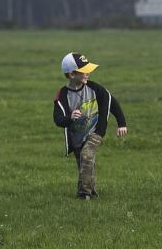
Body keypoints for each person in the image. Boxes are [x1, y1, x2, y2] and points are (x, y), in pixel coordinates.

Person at [52, 51, 127, 200]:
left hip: (95, 131)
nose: (88, 73)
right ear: (72, 75)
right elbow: (58, 119)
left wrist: (121, 123)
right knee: (84, 164)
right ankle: (92, 192)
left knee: (87, 156)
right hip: (76, 136)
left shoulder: (95, 89)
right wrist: (69, 118)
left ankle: (83, 194)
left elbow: (112, 102)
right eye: (84, 71)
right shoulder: (62, 95)